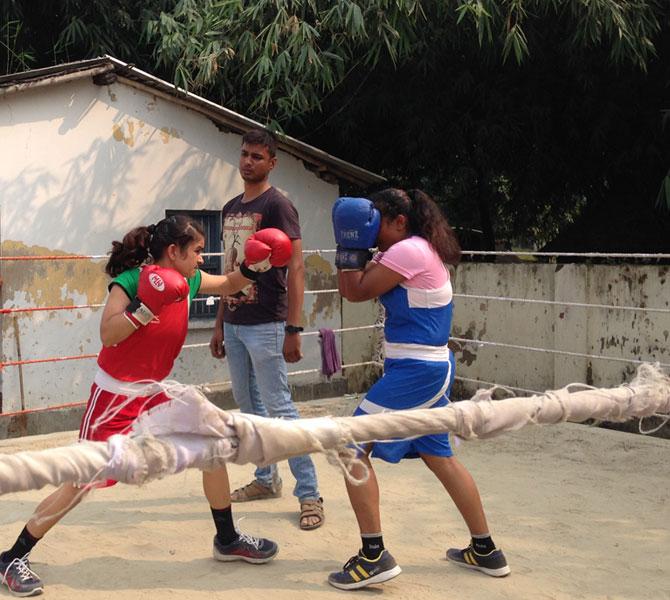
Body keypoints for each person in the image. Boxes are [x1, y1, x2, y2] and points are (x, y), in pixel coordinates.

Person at [0, 215, 290, 597]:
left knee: (213, 445)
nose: (202, 259)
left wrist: (256, 265)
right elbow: (108, 334)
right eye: (198, 251)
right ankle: (12, 556)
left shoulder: (189, 280)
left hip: (154, 392)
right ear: (174, 251)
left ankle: (227, 538)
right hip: (114, 396)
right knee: (82, 480)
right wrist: (144, 307)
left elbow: (231, 285)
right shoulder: (131, 282)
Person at [327, 190, 510, 590]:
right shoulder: (417, 248)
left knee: (350, 445)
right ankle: (486, 550)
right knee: (437, 455)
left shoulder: (408, 250)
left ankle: (373, 556)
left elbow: (354, 290)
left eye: (377, 223)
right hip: (423, 367)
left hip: (417, 371)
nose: (373, 233)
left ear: (398, 222)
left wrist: (349, 244)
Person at [209, 129, 324, 531]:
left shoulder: (279, 205)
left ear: (272, 162)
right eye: (244, 154)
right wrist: (220, 325)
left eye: (257, 157)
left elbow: (295, 267)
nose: (248, 162)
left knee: (281, 409)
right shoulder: (229, 208)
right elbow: (229, 270)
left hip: (268, 323)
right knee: (249, 408)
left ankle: (309, 493)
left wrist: (294, 326)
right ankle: (265, 478)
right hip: (236, 322)